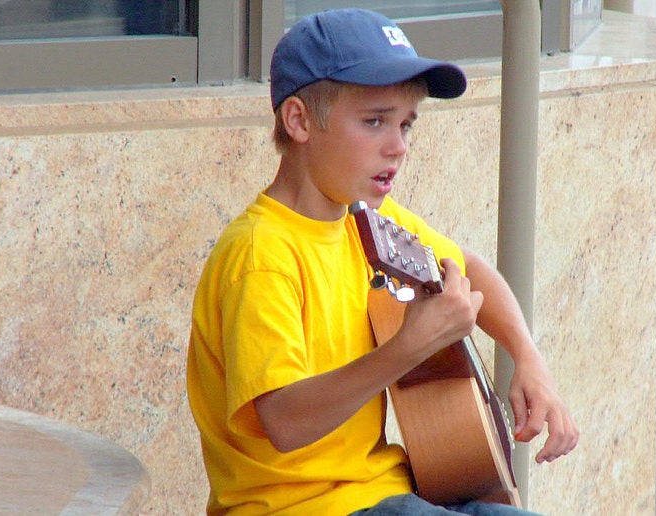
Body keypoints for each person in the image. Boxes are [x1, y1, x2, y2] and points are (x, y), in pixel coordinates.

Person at [187, 8, 579, 515]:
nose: (397, 148)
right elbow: (284, 422)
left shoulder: (365, 218)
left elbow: (471, 270)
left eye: (406, 125)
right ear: (299, 120)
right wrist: (410, 346)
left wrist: (528, 358)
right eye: (374, 122)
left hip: (384, 493)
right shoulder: (262, 254)